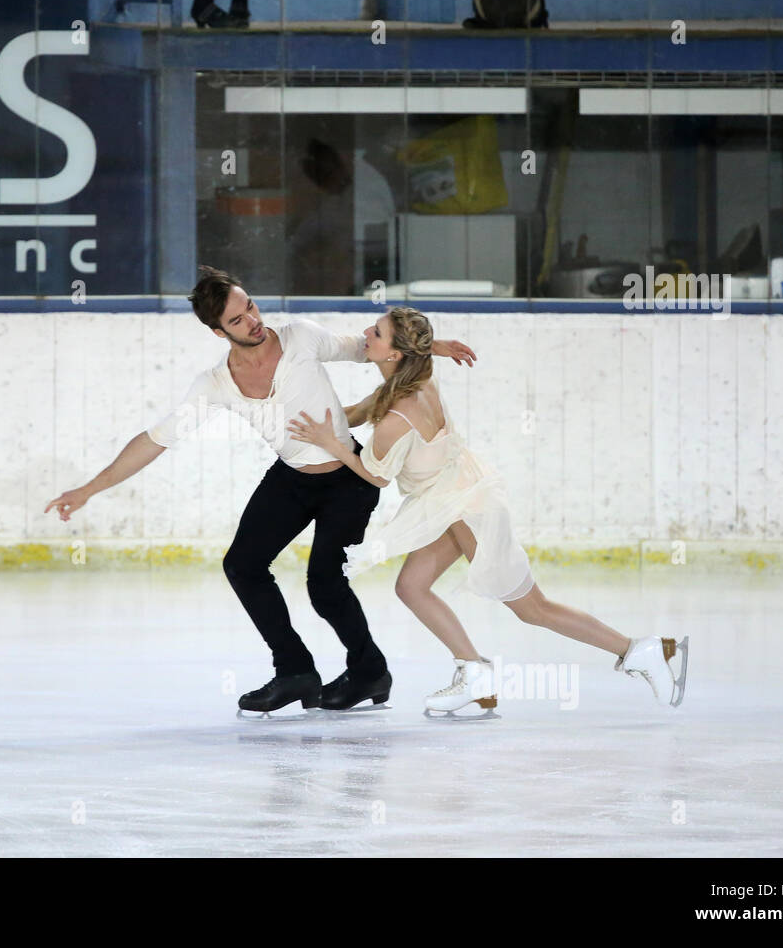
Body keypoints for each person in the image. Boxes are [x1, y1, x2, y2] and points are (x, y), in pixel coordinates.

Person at [45, 269, 478, 715]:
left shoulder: (302, 338)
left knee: (324, 585)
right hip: (291, 478)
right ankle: (294, 671)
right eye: (237, 319)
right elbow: (154, 440)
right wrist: (88, 490)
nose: (252, 320)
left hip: (349, 478)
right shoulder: (215, 384)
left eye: (249, 305)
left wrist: (433, 346)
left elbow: (367, 348)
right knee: (242, 565)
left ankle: (370, 671)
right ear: (218, 331)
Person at [286, 306, 689, 716]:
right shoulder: (417, 378)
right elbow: (360, 409)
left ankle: (641, 651)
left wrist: (333, 445)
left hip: (470, 509)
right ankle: (475, 675)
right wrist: (432, 349)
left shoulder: (396, 418)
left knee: (532, 608)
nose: (366, 334)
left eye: (377, 333)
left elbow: (376, 477)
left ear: (394, 354)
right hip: (451, 499)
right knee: (411, 586)